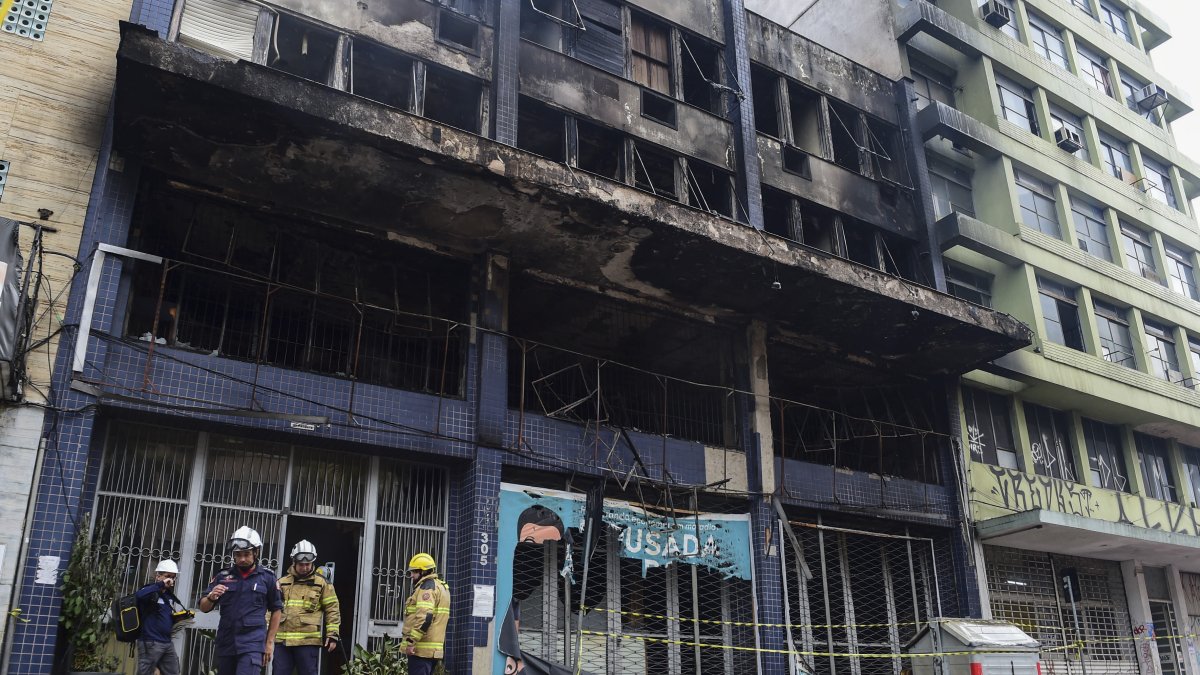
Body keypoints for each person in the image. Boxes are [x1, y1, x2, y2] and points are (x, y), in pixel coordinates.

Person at [198, 526, 283, 675]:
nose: (242, 559)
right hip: (227, 642)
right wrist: (211, 597)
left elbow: (276, 609)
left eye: (247, 554)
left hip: (252, 643)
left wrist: (269, 643)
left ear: (256, 552)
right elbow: (204, 607)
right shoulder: (222, 577)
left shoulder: (267, 578)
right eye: (238, 554)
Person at [274, 540, 341, 675]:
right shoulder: (281, 583)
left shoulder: (322, 583)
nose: (304, 567)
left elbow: (332, 609)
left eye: (307, 564)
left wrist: (332, 635)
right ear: (294, 562)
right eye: (301, 565)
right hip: (282, 642)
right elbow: (271, 610)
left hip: (308, 643)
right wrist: (266, 635)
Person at [400, 552, 451, 675]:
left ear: (423, 572)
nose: (411, 575)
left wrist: (412, 642)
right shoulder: (441, 587)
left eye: (414, 572)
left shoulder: (427, 588)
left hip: (421, 650)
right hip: (431, 651)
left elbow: (425, 618)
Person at [133, 559, 184, 675]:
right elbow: (138, 596)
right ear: (158, 576)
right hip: (150, 641)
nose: (171, 580)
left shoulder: (168, 595)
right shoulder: (149, 590)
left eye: (173, 577)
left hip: (166, 642)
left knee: (173, 672)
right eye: (168, 576)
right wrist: (160, 585)